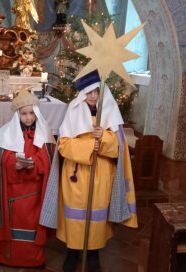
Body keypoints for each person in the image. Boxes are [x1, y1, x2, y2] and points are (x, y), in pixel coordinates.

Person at [40, 70, 138, 272]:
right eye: (89, 92)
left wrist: (104, 138)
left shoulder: (110, 116)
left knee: (97, 215)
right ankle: (72, 252)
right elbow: (64, 146)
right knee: (73, 215)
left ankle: (94, 254)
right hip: (75, 175)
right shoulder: (72, 112)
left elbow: (119, 148)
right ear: (82, 94)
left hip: (101, 175)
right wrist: (87, 147)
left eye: (96, 92)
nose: (93, 96)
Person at [0, 89, 56, 268]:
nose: (28, 117)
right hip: (12, 189)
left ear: (37, 113)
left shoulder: (45, 133)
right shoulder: (5, 132)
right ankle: (6, 256)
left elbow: (48, 157)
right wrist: (13, 164)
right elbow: (0, 154)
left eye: (31, 113)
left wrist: (35, 164)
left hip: (35, 190)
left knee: (33, 224)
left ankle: (33, 257)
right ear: (17, 114)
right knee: (11, 222)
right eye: (24, 113)